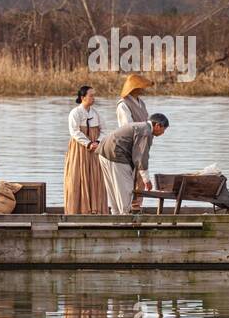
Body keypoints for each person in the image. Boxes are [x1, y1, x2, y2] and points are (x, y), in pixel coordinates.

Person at [98, 113, 169, 215]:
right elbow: (141, 157)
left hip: (104, 151)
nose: (163, 133)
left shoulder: (141, 126)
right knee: (126, 188)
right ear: (157, 125)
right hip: (116, 154)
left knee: (113, 188)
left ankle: (116, 216)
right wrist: (146, 180)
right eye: (164, 129)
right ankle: (125, 217)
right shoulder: (146, 132)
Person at [64, 85, 108, 214]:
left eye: (94, 95)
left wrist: (98, 141)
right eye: (91, 95)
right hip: (79, 149)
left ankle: (95, 209)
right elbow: (74, 131)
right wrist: (88, 143)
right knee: (77, 176)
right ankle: (77, 209)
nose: (94, 98)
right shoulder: (75, 113)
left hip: (95, 149)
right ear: (83, 97)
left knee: (94, 177)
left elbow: (104, 129)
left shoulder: (96, 113)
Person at [116, 73, 154, 210]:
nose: (143, 89)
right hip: (129, 144)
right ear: (134, 88)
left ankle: (137, 206)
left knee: (140, 177)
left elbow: (147, 121)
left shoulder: (141, 103)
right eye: (141, 86)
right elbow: (127, 126)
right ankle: (127, 208)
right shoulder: (123, 105)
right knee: (130, 178)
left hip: (141, 143)